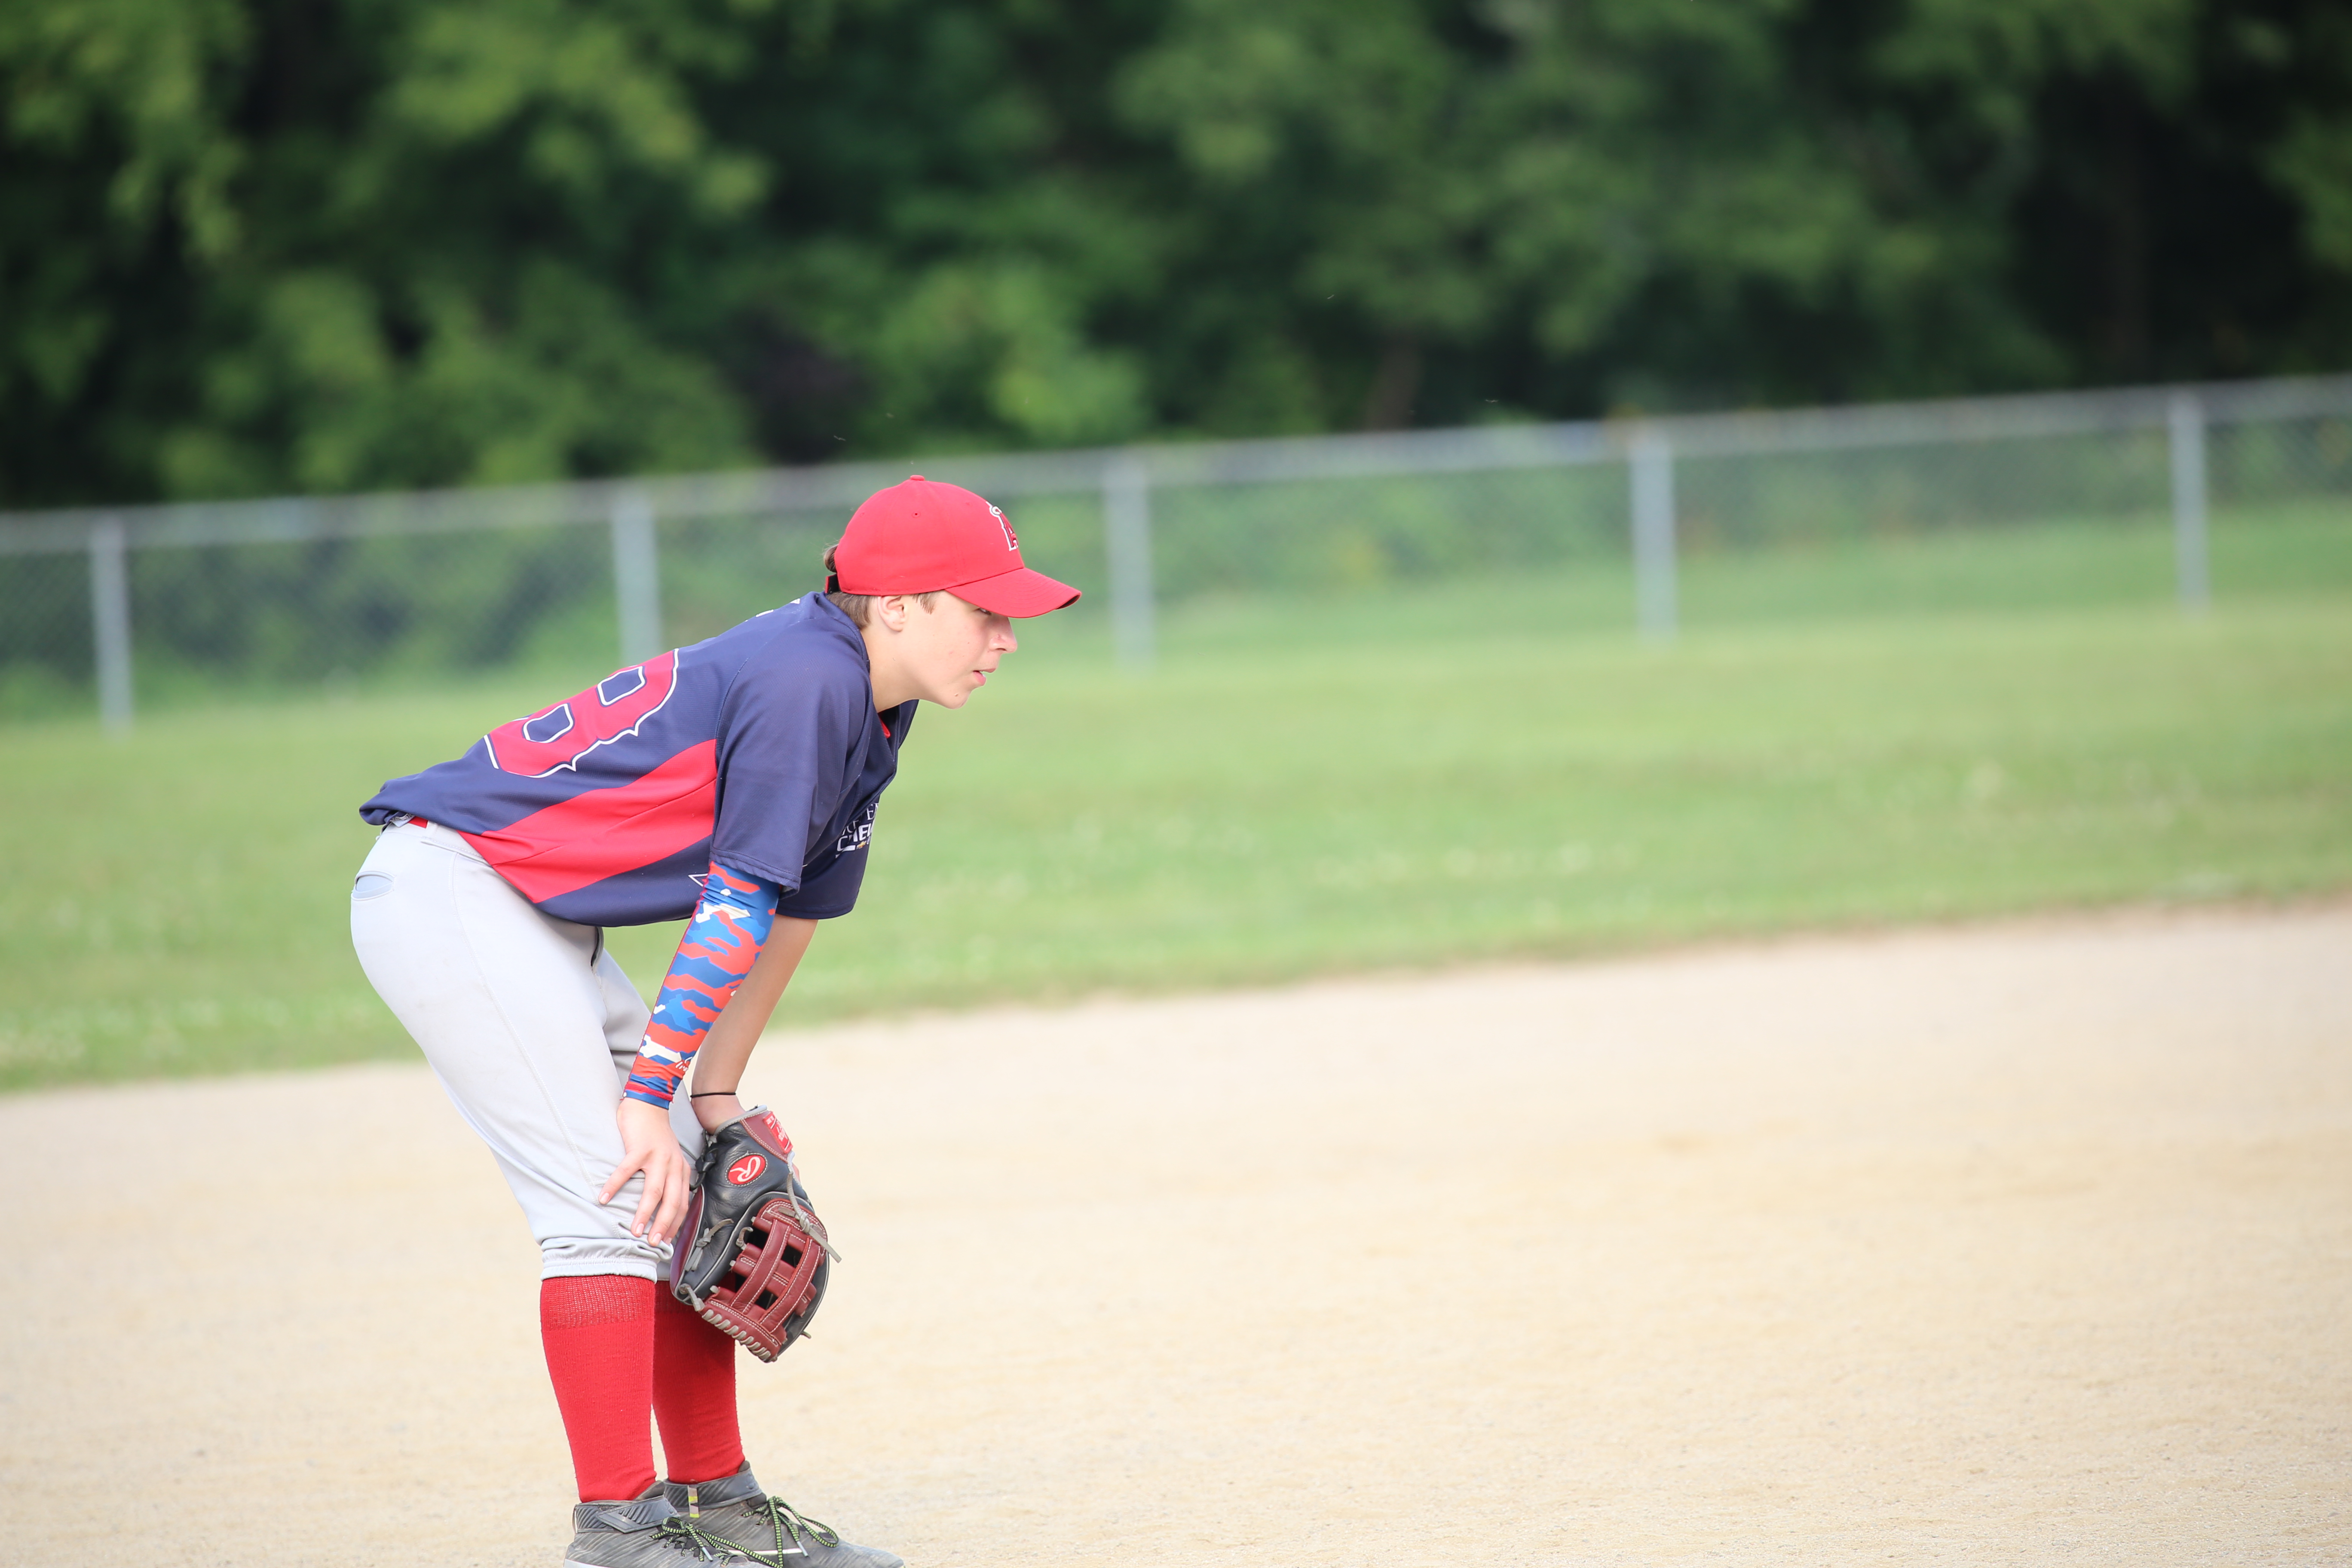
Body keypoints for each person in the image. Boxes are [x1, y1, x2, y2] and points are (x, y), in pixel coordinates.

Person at [349, 477, 1079, 1568]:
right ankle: (619, 1530)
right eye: (984, 611)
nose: (1006, 637)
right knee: (610, 1201)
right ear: (897, 607)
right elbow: (732, 904)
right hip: (452, 891)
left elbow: (792, 910)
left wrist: (711, 1095)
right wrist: (648, 1096)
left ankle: (720, 1500)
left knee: (691, 1183)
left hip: (527, 910)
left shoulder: (876, 702)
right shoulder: (808, 682)